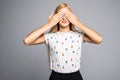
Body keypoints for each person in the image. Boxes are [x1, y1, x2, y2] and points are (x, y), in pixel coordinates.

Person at [23, 3, 102, 80]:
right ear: (55, 18)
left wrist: (77, 22)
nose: (64, 18)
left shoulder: (78, 36)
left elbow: (99, 39)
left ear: (72, 17)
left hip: (75, 77)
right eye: (61, 15)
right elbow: (27, 41)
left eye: (67, 15)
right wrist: (49, 24)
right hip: (56, 77)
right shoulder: (50, 36)